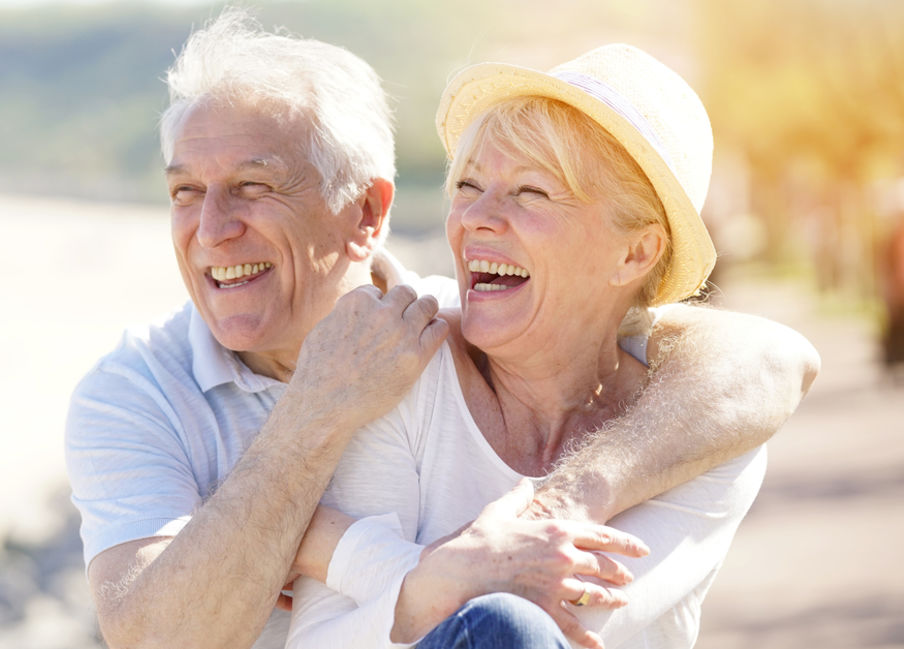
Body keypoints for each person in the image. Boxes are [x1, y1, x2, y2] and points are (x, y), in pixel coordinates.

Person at [65, 12, 820, 649]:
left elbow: (771, 357)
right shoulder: (139, 391)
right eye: (184, 193)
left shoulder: (427, 352)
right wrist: (317, 414)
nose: (210, 229)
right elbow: (158, 636)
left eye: (252, 187)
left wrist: (335, 542)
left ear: (368, 213)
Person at [283, 44, 814, 649]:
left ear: (634, 253)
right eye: (469, 185)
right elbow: (320, 640)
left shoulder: (703, 432)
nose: (476, 217)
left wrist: (341, 549)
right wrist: (440, 573)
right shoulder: (408, 372)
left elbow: (558, 616)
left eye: (531, 192)